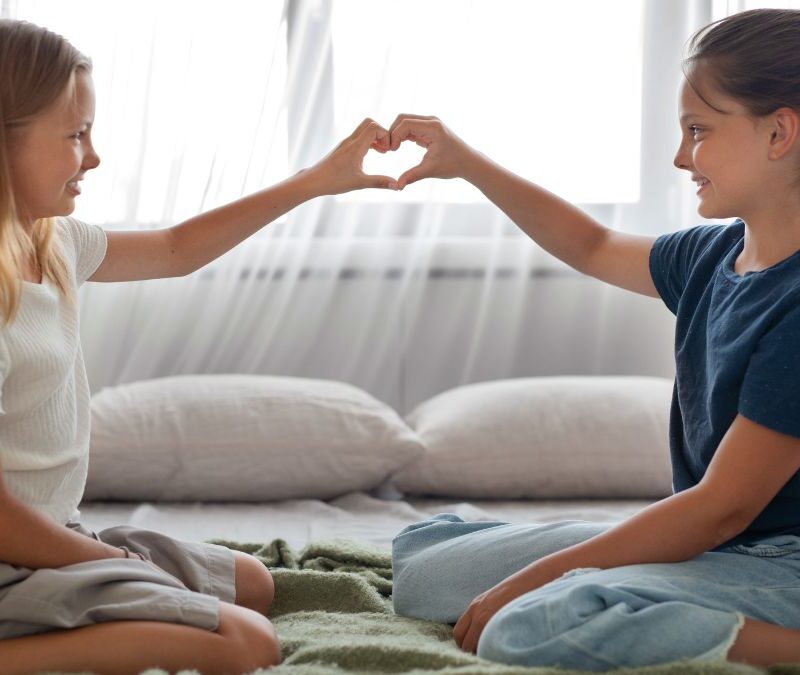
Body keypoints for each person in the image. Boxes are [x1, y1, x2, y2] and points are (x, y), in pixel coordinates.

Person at [391, 8, 800, 670]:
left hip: (781, 563)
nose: (678, 156)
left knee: (526, 623)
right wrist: (466, 163)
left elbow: (723, 508)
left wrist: (538, 579)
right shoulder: (711, 255)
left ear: (779, 131)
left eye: (698, 131)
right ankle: (636, 601)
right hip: (718, 548)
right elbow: (592, 242)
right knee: (426, 566)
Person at [0, 18, 397, 675]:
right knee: (248, 642)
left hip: (53, 539)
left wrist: (314, 181)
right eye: (75, 135)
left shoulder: (56, 242)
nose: (93, 156)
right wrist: (102, 562)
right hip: (16, 558)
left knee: (254, 582)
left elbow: (176, 248)